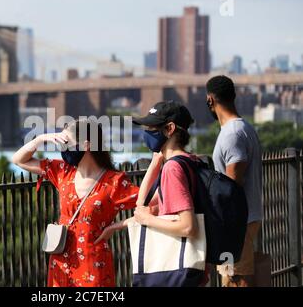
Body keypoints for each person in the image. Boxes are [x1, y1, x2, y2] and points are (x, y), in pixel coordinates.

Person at [12, 118, 139, 287]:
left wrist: (117, 226)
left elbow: (157, 202)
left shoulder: (114, 182)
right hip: (60, 261)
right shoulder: (62, 172)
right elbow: (19, 160)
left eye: (65, 143)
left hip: (93, 263)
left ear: (86, 145)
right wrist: (39, 139)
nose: (62, 148)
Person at [100, 100, 209, 286]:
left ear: (169, 129)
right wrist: (155, 162)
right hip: (190, 269)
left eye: (151, 128)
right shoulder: (190, 161)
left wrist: (147, 220)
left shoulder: (173, 169)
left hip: (175, 272)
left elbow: (188, 227)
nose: (147, 133)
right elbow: (144, 205)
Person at [206, 75, 263, 287]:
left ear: (210, 100)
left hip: (235, 223)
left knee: (235, 279)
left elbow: (232, 185)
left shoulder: (232, 134)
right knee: (234, 276)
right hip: (241, 220)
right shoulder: (242, 128)